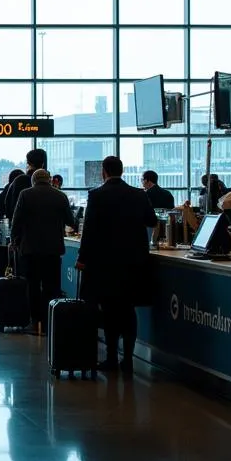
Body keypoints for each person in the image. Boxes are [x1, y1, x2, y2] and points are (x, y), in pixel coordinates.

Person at [77, 155, 156, 375]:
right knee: (129, 310)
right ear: (122, 171)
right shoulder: (139, 195)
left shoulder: (97, 195)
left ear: (104, 171)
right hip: (134, 262)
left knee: (110, 311)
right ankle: (128, 359)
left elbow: (89, 231)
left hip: (106, 264)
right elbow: (152, 220)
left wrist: (83, 258)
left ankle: (112, 357)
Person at [10, 168, 75, 332]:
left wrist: (14, 241)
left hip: (30, 249)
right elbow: (70, 220)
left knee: (32, 286)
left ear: (33, 180)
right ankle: (49, 321)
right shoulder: (60, 196)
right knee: (51, 287)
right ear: (49, 180)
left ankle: (35, 321)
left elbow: (16, 221)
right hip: (53, 250)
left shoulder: (25, 194)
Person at [4, 149, 47, 222]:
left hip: (22, 227)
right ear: (43, 164)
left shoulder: (20, 180)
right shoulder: (48, 186)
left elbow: (8, 203)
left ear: (28, 163)